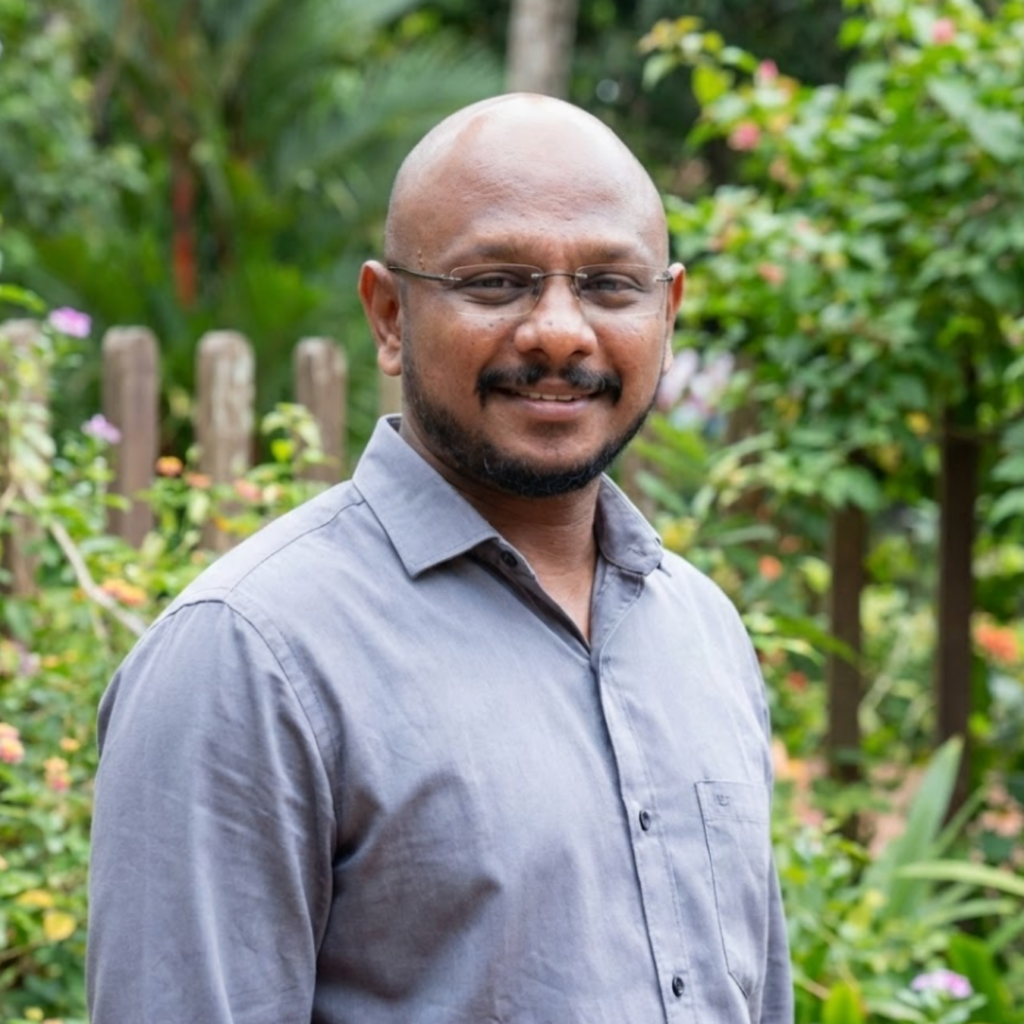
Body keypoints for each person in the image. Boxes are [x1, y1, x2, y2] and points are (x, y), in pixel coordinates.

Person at [87, 93, 793, 1024]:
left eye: (610, 286)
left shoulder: (700, 632)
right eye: (496, 282)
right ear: (388, 315)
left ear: (668, 310)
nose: (559, 331)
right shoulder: (248, 657)